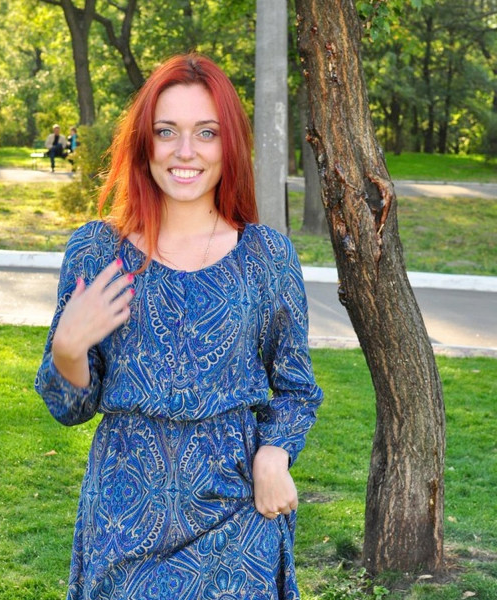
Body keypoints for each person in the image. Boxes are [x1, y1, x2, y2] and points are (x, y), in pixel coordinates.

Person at [35, 53, 323, 600]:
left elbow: (296, 388)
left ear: (229, 144)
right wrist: (68, 350)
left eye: (206, 132)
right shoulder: (98, 251)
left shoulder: (266, 257)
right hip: (124, 521)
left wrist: (274, 453)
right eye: (166, 131)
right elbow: (69, 408)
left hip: (238, 519)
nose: (185, 151)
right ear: (144, 142)